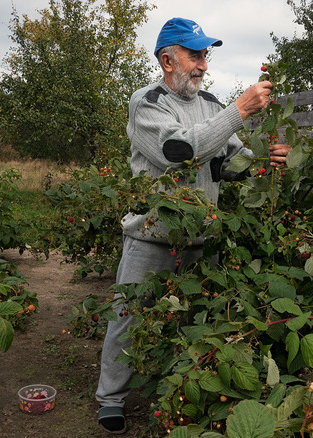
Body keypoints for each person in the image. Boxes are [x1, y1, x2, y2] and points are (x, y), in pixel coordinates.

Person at [95, 17, 290, 434]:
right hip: (152, 237)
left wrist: (262, 161)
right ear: (168, 60)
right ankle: (110, 399)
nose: (203, 63)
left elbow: (229, 164)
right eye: (194, 54)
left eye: (205, 55)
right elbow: (178, 151)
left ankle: (177, 391)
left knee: (194, 321)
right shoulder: (147, 103)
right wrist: (239, 112)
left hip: (201, 238)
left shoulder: (213, 106)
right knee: (128, 315)